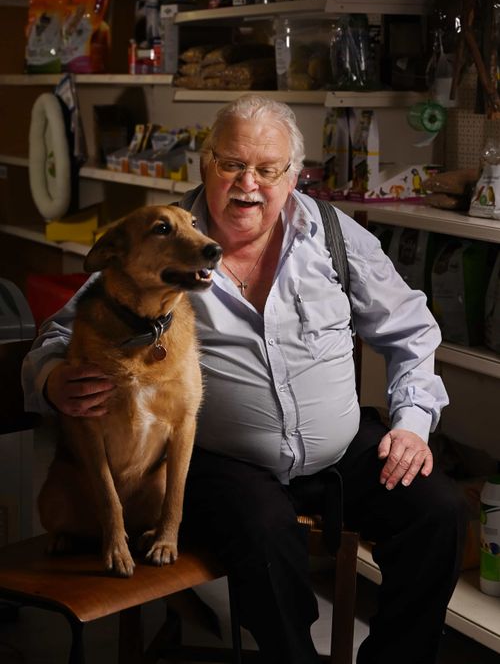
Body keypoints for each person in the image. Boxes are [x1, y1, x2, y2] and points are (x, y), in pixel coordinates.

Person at [22, 94, 466, 664]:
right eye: (231, 164)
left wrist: (411, 424)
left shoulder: (333, 234)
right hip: (229, 461)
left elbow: (411, 329)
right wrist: (53, 378)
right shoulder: (163, 238)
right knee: (262, 532)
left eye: (267, 169)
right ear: (206, 164)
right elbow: (63, 332)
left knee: (439, 512)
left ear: (294, 174)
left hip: (339, 453)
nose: (247, 184)